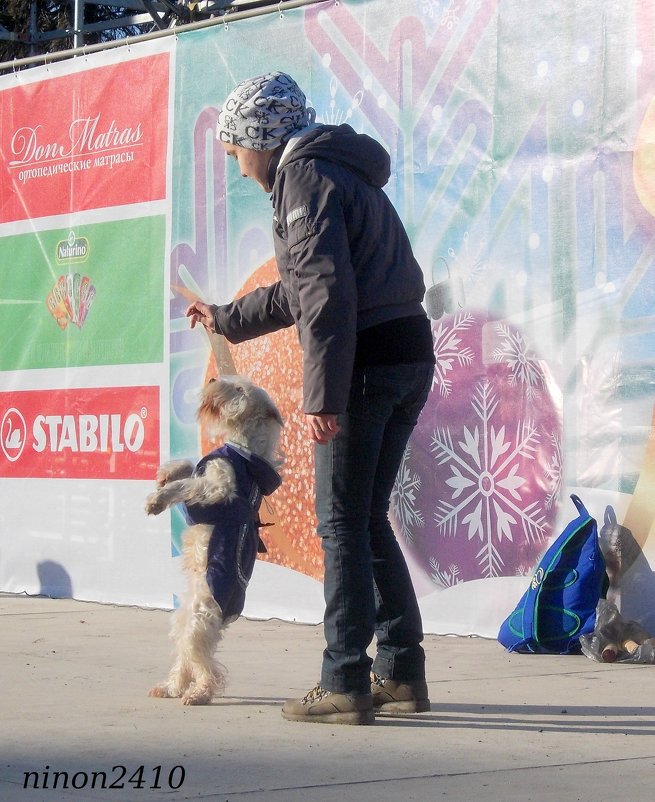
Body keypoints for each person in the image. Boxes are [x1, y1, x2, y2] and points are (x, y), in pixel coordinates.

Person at [186, 72, 435, 725]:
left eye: (238, 149)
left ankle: (344, 681)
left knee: (341, 524)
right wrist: (225, 317)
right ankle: (401, 673)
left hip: (366, 364)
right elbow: (301, 289)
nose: (239, 168)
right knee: (365, 518)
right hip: (406, 353)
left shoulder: (304, 178)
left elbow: (323, 294)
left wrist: (322, 394)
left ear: (264, 140)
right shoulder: (335, 173)